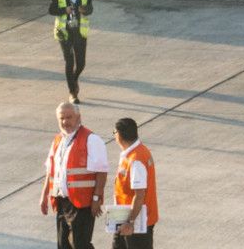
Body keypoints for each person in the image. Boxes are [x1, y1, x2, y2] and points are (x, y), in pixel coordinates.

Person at [40, 100, 108, 249]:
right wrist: (44, 195)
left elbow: (102, 171)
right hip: (61, 201)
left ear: (78, 117)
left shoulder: (91, 139)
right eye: (61, 118)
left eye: (69, 117)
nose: (65, 122)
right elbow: (50, 170)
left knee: (80, 244)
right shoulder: (58, 140)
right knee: (63, 245)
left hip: (82, 203)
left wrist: (96, 198)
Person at [107, 117, 159, 249]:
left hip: (136, 221)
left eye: (114, 132)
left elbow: (139, 194)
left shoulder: (136, 160)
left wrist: (130, 222)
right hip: (125, 216)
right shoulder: (138, 151)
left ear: (119, 135)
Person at [49, 0, 93, 102]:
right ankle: (73, 93)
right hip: (64, 32)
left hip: (79, 31)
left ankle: (73, 81)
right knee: (69, 61)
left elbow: (91, 9)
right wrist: (64, 10)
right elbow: (51, 10)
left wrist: (84, 9)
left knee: (81, 64)